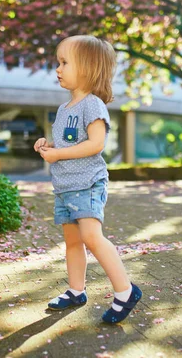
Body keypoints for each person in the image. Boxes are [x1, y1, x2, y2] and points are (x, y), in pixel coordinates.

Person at [33, 35, 142, 324]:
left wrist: (58, 155)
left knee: (92, 237)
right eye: (59, 62)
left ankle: (125, 290)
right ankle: (76, 290)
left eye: (65, 63)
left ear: (88, 68)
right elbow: (66, 147)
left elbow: (96, 144)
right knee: (72, 242)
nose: (58, 69)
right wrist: (48, 146)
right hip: (66, 186)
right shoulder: (63, 109)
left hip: (88, 183)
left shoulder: (92, 104)